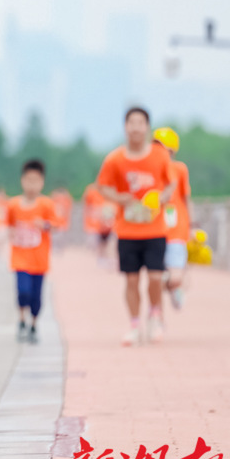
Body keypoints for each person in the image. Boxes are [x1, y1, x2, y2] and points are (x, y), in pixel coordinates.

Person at [96, 107, 176, 346]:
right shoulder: (115, 159)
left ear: (147, 127)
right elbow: (102, 186)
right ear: (125, 127)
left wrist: (161, 198)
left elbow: (171, 183)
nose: (136, 128)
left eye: (141, 123)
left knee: (155, 277)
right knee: (131, 280)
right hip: (128, 229)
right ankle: (134, 324)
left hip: (155, 229)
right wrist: (120, 198)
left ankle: (155, 315)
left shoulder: (160, 155)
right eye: (132, 123)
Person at [6, 160, 63, 344]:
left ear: (42, 182)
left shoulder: (46, 205)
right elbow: (9, 224)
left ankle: (33, 324)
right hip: (20, 258)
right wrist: (11, 232)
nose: (32, 185)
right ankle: (21, 319)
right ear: (22, 181)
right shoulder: (13, 204)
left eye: (36, 181)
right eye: (28, 181)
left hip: (39, 260)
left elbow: (57, 225)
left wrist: (44, 225)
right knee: (23, 291)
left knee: (36, 296)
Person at [152, 127, 192, 310]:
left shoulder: (179, 169)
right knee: (156, 278)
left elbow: (186, 198)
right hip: (155, 229)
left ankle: (174, 287)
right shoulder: (150, 170)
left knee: (175, 277)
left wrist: (192, 225)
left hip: (177, 229)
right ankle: (157, 314)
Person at [82, 182, 115, 269]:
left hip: (109, 220)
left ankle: (109, 259)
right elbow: (87, 205)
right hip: (98, 222)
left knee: (109, 242)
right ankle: (101, 258)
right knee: (101, 243)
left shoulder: (111, 189)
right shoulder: (92, 190)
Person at [50, 185, 74, 252]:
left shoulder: (66, 201)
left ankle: (59, 248)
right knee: (55, 237)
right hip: (55, 223)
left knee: (60, 237)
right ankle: (55, 248)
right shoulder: (54, 200)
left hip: (62, 223)